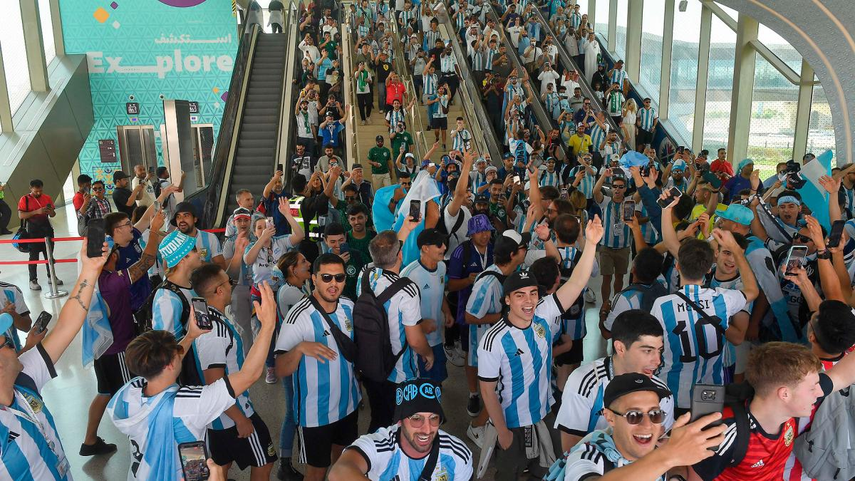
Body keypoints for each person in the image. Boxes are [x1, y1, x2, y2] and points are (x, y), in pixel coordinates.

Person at [108, 281, 278, 480]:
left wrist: (190, 336)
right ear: (170, 365)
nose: (180, 353)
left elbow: (166, 363)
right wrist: (267, 327)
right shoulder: (189, 405)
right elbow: (249, 375)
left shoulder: (127, 395)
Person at [478, 215, 602, 480]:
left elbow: (577, 283)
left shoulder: (543, 314)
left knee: (546, 470)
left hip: (544, 414)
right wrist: (502, 431)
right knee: (509, 472)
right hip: (512, 422)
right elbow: (487, 389)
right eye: (520, 295)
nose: (528, 301)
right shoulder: (494, 339)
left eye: (533, 293)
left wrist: (590, 243)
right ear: (507, 300)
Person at [0, 239, 109, 479]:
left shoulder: (24, 379)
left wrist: (89, 270)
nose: (14, 347)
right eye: (6, 343)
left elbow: (65, 327)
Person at [691, 340, 855, 480]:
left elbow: (841, 376)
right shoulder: (726, 433)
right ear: (784, 394)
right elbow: (694, 475)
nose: (819, 392)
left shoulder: (791, 405)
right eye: (813, 388)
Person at [654, 204, 759, 411]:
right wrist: (738, 252)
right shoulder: (723, 300)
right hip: (709, 392)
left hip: (672, 390)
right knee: (705, 438)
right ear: (712, 262)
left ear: (677, 265)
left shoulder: (663, 304)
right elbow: (753, 291)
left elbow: (670, 243)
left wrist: (667, 210)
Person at [81, 210, 165, 458]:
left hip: (101, 349)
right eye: (110, 252)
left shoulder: (94, 280)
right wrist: (156, 230)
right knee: (131, 392)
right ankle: (141, 446)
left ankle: (90, 440)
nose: (114, 252)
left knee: (105, 392)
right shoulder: (111, 282)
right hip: (116, 349)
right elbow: (146, 263)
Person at [275, 254, 361, 481]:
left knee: (344, 464)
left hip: (349, 405)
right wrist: (300, 348)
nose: (334, 284)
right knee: (316, 473)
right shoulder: (298, 316)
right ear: (314, 279)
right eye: (326, 277)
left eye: (339, 277)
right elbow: (281, 368)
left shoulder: (349, 307)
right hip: (315, 414)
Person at [191, 264, 277, 480]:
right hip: (232, 414)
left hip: (217, 416)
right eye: (228, 283)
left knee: (220, 465)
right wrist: (240, 419)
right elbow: (215, 381)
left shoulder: (202, 313)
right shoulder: (214, 333)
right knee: (264, 462)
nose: (232, 286)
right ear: (219, 291)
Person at [561, 373, 727, 480]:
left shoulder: (658, 450)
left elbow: (675, 467)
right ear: (610, 418)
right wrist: (669, 455)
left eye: (655, 414)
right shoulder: (588, 454)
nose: (647, 425)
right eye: (634, 415)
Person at [556, 310, 674, 452]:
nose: (657, 361)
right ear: (620, 348)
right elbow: (570, 450)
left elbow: (664, 446)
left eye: (659, 350)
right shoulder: (585, 382)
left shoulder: (662, 393)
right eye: (647, 351)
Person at [360, 227, 435, 433]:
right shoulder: (407, 289)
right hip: (399, 372)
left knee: (379, 417)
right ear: (400, 255)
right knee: (400, 423)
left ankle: (375, 455)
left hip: (370, 364)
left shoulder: (364, 276)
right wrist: (428, 353)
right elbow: (415, 341)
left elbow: (385, 251)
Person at [328, 379, 473, 481]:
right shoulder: (380, 446)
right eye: (416, 418)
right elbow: (339, 471)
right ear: (399, 420)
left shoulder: (457, 454)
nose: (427, 429)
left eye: (434, 418)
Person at [465, 230, 531, 445]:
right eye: (523, 248)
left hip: (503, 346)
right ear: (513, 254)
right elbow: (469, 316)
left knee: (502, 391)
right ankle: (476, 428)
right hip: (488, 348)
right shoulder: (488, 284)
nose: (527, 251)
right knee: (496, 393)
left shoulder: (513, 271)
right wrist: (505, 316)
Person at [400, 229, 454, 385]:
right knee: (422, 385)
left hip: (437, 339)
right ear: (425, 248)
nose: (444, 247)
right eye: (439, 245)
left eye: (444, 243)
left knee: (437, 381)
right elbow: (397, 310)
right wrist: (420, 325)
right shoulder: (409, 275)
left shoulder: (442, 267)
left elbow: (440, 291)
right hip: (418, 342)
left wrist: (447, 312)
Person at [593, 170, 632, 317]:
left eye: (621, 187)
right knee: (607, 277)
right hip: (606, 247)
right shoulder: (606, 202)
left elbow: (640, 194)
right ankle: (605, 303)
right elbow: (595, 191)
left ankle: (616, 301)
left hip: (623, 247)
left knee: (620, 277)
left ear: (625, 188)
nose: (617, 189)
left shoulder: (629, 203)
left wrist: (637, 176)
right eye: (615, 186)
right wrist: (604, 176)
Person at [18, 179, 61, 291]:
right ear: (30, 189)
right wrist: (36, 212)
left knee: (49, 255)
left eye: (40, 191)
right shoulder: (25, 199)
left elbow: (53, 214)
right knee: (34, 256)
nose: (38, 193)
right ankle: (33, 280)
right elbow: (21, 215)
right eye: (36, 191)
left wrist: (50, 212)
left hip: (47, 229)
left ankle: (51, 276)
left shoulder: (47, 198)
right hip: (33, 231)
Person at [171, 201, 226, 269]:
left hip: (204, 278)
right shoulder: (172, 241)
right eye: (178, 217)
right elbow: (167, 271)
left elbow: (222, 267)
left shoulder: (210, 238)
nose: (181, 220)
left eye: (186, 216)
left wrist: (200, 264)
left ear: (195, 219)